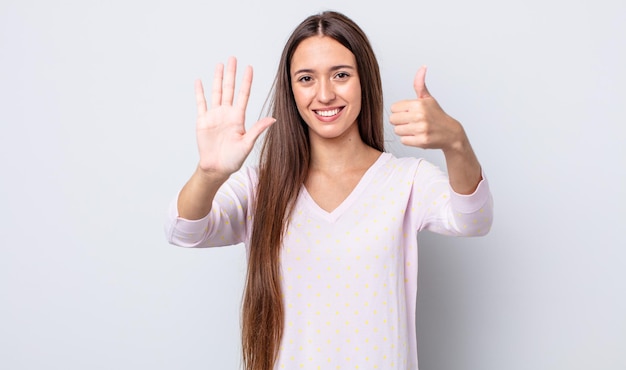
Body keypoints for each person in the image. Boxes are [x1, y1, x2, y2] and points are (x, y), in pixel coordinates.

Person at [165, 10, 493, 370]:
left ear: (363, 80)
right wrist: (209, 173)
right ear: (291, 90)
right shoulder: (262, 187)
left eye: (340, 75)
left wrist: (456, 144)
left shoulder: (405, 180)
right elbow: (186, 231)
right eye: (306, 78)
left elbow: (473, 220)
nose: (324, 94)